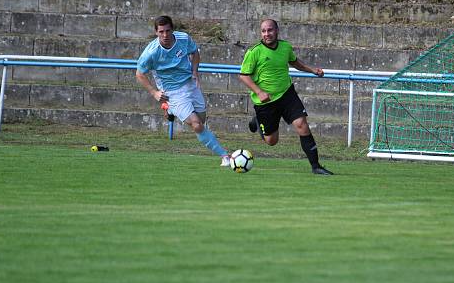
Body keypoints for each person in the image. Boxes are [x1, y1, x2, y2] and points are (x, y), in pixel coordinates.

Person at [239, 19, 333, 175]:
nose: (267, 34)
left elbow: (295, 63)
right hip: (265, 102)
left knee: (302, 124)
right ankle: (257, 120)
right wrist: (259, 92)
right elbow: (243, 76)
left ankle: (316, 166)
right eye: (263, 31)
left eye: (270, 30)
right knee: (271, 141)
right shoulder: (254, 52)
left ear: (277, 31)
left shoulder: (285, 47)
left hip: (286, 94)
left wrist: (313, 70)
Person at [136, 15, 230, 167]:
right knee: (197, 125)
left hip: (190, 84)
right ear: (156, 32)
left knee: (202, 120)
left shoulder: (183, 39)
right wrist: (154, 93)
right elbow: (139, 74)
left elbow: (195, 52)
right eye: (161, 32)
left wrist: (195, 72)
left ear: (172, 29)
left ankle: (170, 110)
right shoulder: (151, 52)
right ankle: (225, 155)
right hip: (172, 92)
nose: (165, 35)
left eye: (167, 31)